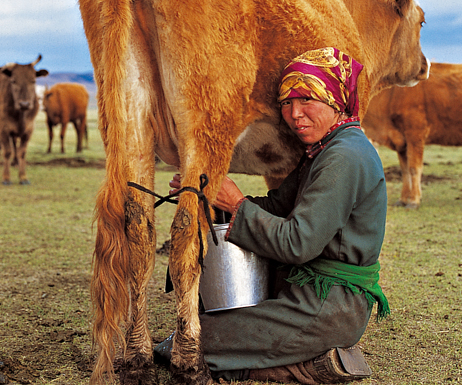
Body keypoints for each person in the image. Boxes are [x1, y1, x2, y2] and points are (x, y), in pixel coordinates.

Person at [162, 47, 390, 384]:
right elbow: (275, 208)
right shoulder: (324, 151)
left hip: (326, 307)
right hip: (306, 293)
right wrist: (214, 200)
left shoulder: (345, 157)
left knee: (188, 345)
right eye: (286, 102)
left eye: (307, 100)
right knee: (190, 334)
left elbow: (298, 243)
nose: (295, 114)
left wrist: (238, 204)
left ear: (335, 100)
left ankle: (312, 365)